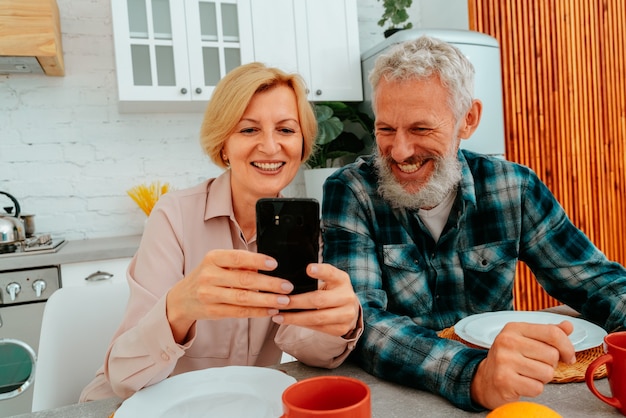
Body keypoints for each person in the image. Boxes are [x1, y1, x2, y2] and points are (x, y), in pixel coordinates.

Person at [321, 35, 626, 412]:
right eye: (386, 130)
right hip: (399, 397)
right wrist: (473, 375)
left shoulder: (514, 187)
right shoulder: (351, 191)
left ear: (468, 119)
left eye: (421, 129)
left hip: (511, 398)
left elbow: (596, 281)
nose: (399, 151)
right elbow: (359, 321)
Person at [80, 62, 362, 401]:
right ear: (223, 144)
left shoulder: (308, 232)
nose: (271, 147)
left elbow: (306, 346)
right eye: (248, 130)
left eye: (286, 130)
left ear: (302, 145)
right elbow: (123, 375)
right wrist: (180, 308)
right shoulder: (174, 216)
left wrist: (340, 324)